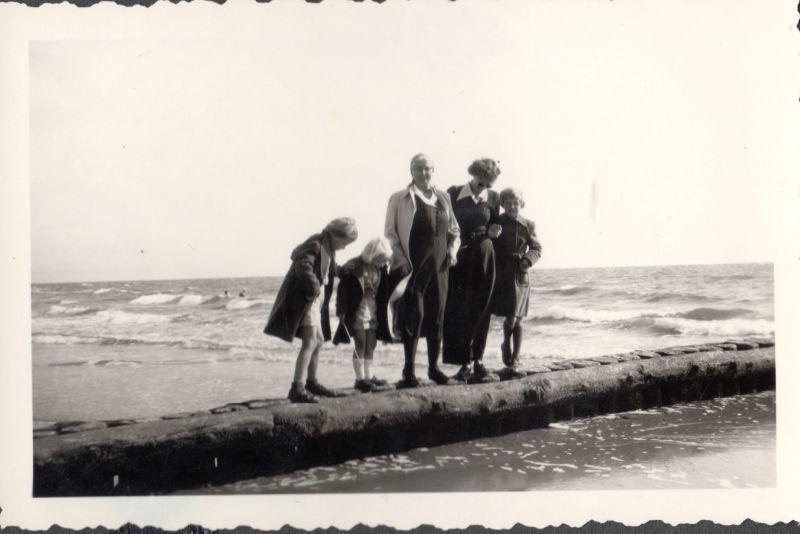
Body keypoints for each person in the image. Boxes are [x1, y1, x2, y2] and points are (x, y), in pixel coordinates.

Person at [385, 153, 460, 388]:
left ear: (433, 171)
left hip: (440, 267)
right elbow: (390, 234)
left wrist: (453, 251)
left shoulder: (444, 197)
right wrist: (400, 260)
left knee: (437, 316)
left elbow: (455, 231)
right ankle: (408, 373)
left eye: (427, 169)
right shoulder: (399, 198)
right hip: (412, 266)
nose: (423, 173)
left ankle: (434, 369)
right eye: (418, 169)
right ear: (411, 171)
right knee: (413, 316)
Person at [264, 217, 359, 403]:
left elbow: (327, 269)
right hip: (307, 300)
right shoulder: (316, 244)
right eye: (344, 242)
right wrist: (315, 287)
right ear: (334, 234)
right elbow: (303, 266)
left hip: (315, 300)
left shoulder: (328, 247)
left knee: (319, 340)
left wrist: (343, 270)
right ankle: (297, 388)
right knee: (310, 341)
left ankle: (311, 382)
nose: (345, 247)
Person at [443, 158, 503, 383]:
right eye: (482, 182)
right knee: (460, 308)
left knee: (483, 308)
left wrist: (495, 231)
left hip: (486, 254)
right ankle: (463, 364)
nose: (485, 188)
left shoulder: (494, 198)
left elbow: (497, 223)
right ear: (474, 174)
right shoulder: (454, 193)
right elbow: (447, 225)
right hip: (460, 255)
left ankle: (478, 361)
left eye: (489, 184)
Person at [491, 188, 542, 375]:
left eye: (516, 202)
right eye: (509, 203)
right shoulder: (497, 222)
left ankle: (516, 358)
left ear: (521, 204)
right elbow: (491, 246)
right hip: (502, 273)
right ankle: (506, 345)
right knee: (510, 317)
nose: (513, 206)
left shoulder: (528, 225)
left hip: (521, 274)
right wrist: (491, 236)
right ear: (503, 205)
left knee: (519, 318)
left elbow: (537, 247)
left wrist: (528, 260)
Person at [333, 237, 393, 393]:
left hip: (373, 310)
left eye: (384, 260)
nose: (382, 263)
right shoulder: (355, 265)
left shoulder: (381, 269)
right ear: (373, 253)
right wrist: (340, 310)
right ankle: (360, 380)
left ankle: (369, 376)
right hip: (357, 309)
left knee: (371, 344)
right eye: (380, 259)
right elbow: (342, 290)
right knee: (360, 343)